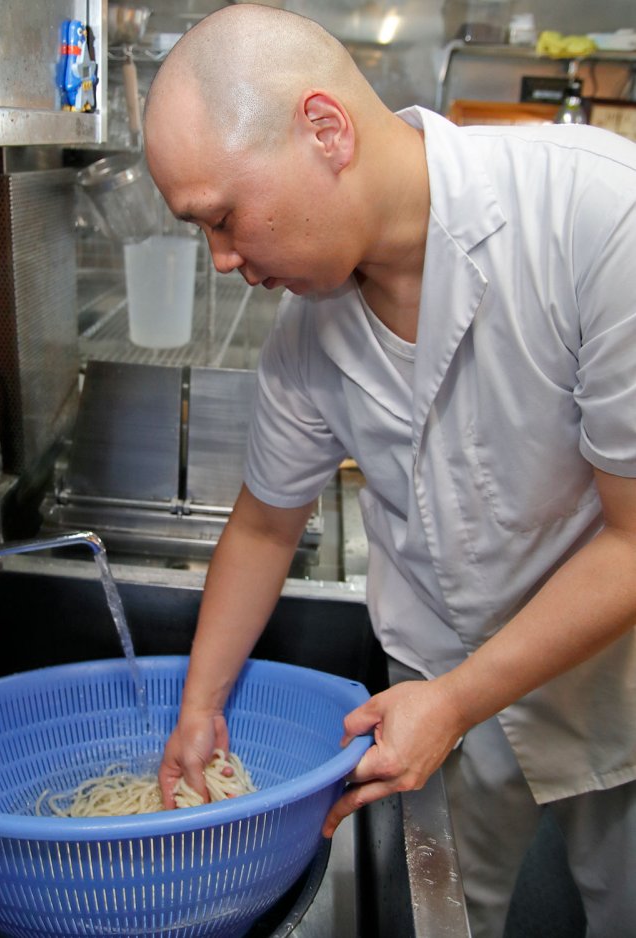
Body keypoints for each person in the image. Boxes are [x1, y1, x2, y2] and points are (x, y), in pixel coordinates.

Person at [143, 5, 636, 935]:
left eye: (223, 218)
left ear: (325, 131)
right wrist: (198, 709)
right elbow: (263, 524)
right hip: (433, 684)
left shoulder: (599, 218)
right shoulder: (304, 339)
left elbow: (635, 539)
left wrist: (457, 700)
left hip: (613, 673)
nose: (221, 260)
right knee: (447, 916)